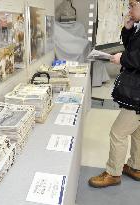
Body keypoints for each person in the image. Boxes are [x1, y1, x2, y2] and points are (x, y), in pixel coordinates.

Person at [89, 0, 140, 188]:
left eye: (132, 6)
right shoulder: (138, 27)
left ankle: (113, 173)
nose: (129, 10)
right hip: (136, 90)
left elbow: (134, 57)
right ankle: (136, 167)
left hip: (138, 96)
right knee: (137, 132)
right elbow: (133, 48)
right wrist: (127, 30)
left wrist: (122, 58)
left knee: (117, 133)